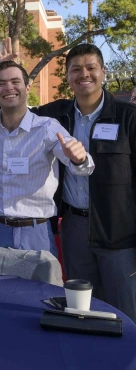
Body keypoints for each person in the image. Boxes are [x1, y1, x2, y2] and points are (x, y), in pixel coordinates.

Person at [34, 43, 136, 322]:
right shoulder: (55, 115)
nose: (84, 74)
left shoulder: (128, 117)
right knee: (81, 309)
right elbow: (15, 111)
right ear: (67, 76)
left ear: (103, 71)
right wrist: (19, 72)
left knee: (124, 311)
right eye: (75, 69)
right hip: (74, 228)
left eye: (91, 67)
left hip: (118, 231)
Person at [0, 61, 94, 257]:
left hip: (37, 232)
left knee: (41, 288)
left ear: (27, 87)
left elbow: (81, 165)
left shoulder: (48, 127)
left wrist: (79, 158)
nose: (9, 87)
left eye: (15, 81)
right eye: (1, 83)